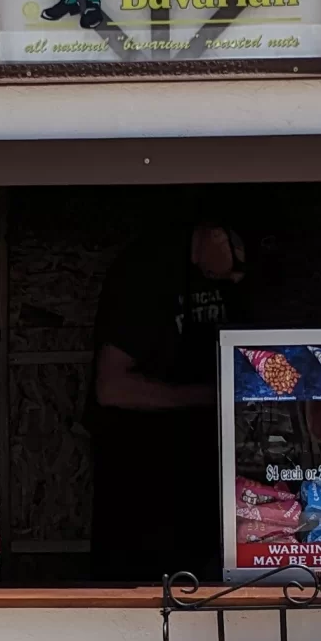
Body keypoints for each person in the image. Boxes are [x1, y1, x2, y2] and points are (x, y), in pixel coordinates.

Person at [88, 218, 246, 581]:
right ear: (215, 233)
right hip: (141, 467)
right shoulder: (145, 274)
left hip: (198, 466)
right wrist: (213, 395)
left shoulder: (223, 274)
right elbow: (111, 387)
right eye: (238, 264)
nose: (238, 279)